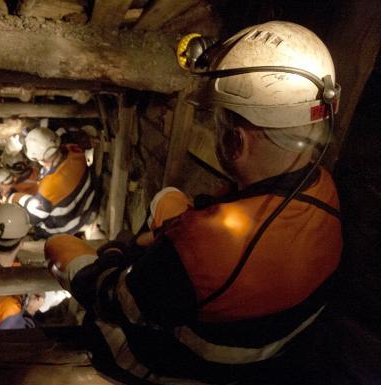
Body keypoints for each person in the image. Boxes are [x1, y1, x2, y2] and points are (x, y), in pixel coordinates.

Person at [44, 21, 342, 384]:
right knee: (168, 199)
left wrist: (114, 256)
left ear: (237, 141)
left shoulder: (201, 249)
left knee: (60, 245)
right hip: (257, 344)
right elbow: (207, 239)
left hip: (180, 365)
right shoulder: (322, 188)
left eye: (217, 121)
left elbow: (113, 299)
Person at [9, 126, 95, 238]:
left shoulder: (49, 186)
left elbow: (34, 217)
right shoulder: (73, 149)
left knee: (35, 226)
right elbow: (59, 130)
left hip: (71, 223)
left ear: (39, 159)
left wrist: (14, 197)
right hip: (87, 201)